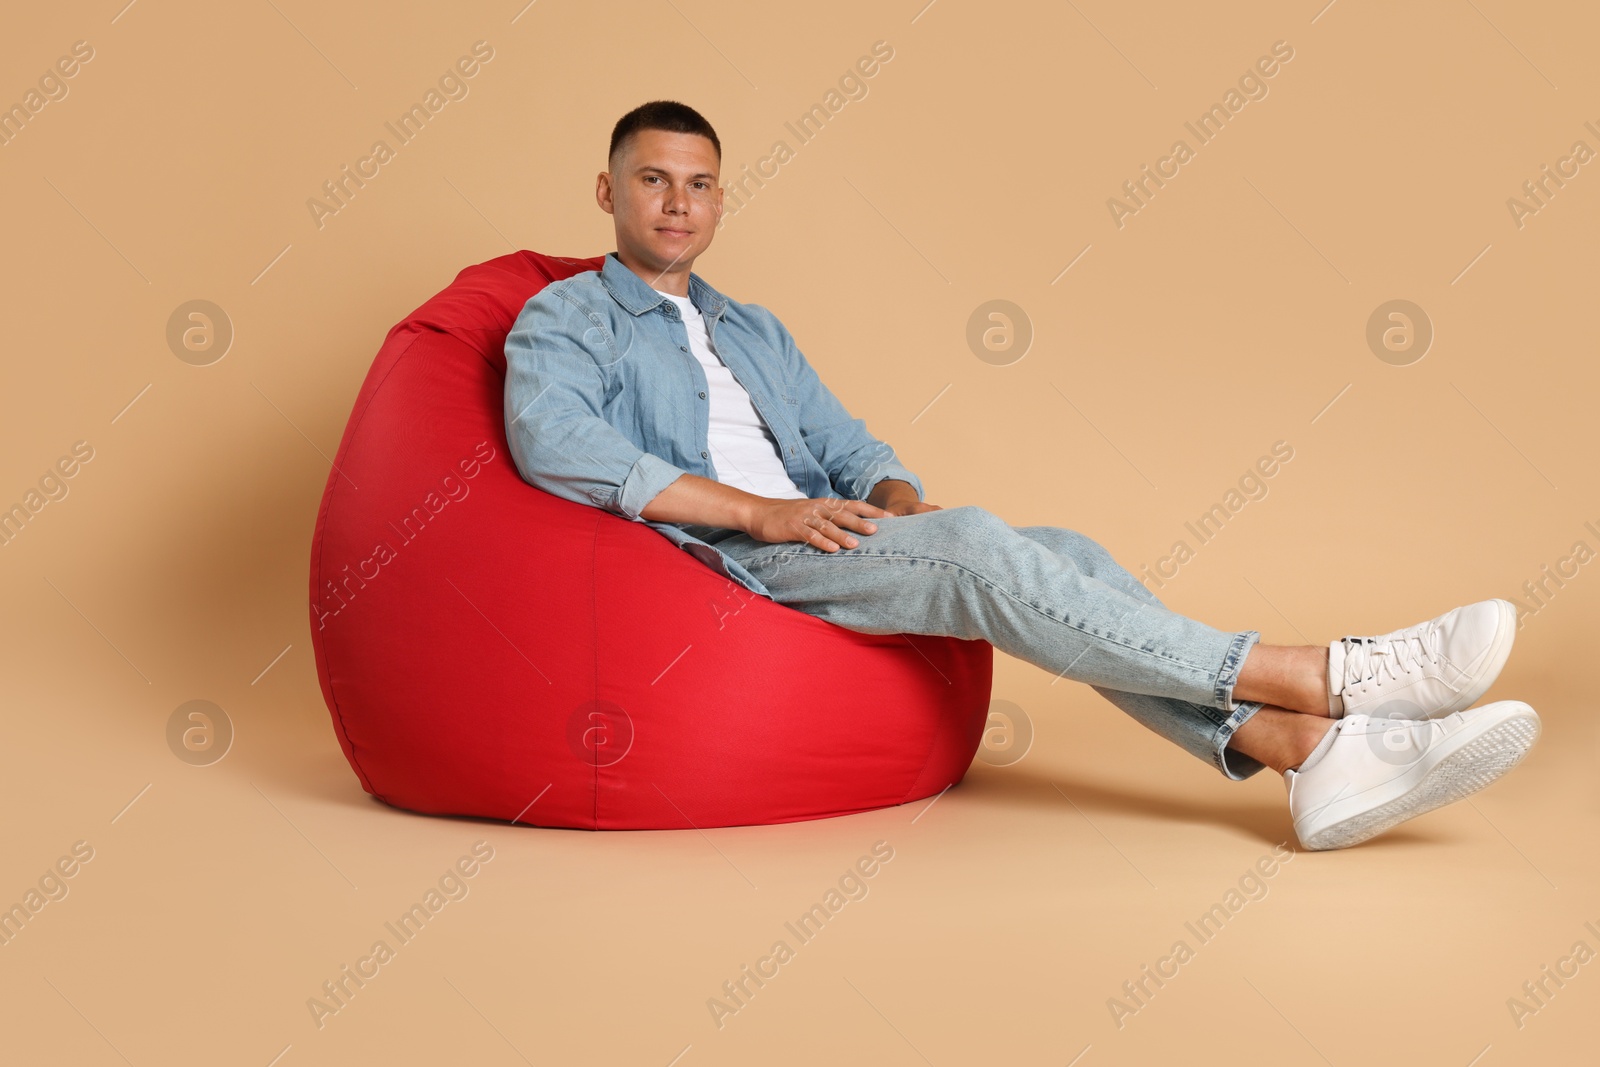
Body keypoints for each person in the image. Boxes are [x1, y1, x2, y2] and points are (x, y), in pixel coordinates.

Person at [502, 100, 1540, 851]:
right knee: (977, 549)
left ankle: (1305, 754)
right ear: (609, 190)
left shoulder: (750, 327)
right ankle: (1324, 675)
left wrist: (898, 503)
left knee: (1060, 554)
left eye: (697, 183)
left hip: (833, 531)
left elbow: (851, 443)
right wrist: (758, 513)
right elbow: (554, 439)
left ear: (721, 199)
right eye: (652, 179)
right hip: (731, 558)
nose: (676, 204)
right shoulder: (566, 316)